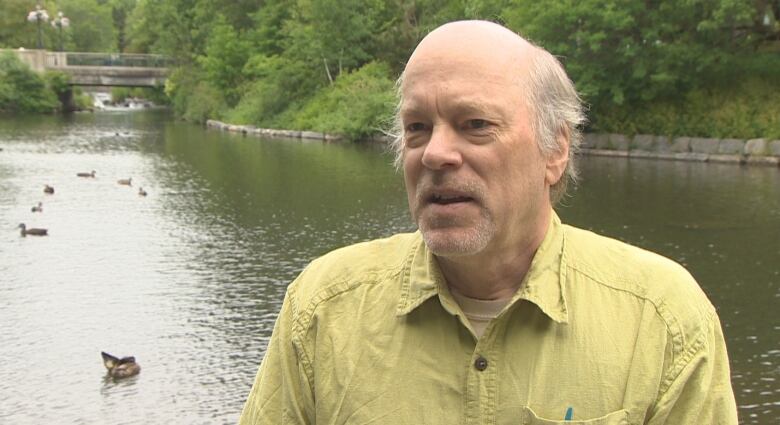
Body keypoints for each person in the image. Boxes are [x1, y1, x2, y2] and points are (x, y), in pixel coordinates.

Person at [239, 20, 737, 424]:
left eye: (475, 125)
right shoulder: (323, 309)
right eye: (417, 128)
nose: (435, 153)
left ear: (555, 149)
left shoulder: (662, 318)